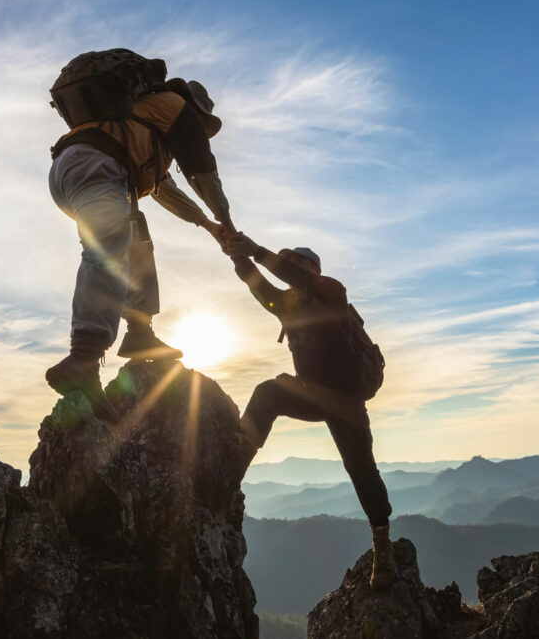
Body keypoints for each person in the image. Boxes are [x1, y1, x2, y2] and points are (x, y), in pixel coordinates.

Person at [44, 49, 234, 422]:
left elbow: (165, 190)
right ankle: (84, 355)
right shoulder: (175, 109)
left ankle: (139, 331)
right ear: (198, 110)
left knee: (136, 240)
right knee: (108, 250)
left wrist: (210, 228)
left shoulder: (141, 124)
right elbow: (203, 174)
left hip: (75, 172)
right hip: (95, 167)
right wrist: (226, 220)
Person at [224, 233, 397, 590]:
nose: (291, 272)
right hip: (309, 394)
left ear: (313, 271)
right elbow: (259, 287)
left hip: (345, 401)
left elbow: (291, 275)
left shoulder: (333, 292)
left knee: (361, 470)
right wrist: (237, 257)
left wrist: (255, 250)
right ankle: (233, 463)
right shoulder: (287, 305)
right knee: (268, 393)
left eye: (298, 266)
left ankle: (383, 546)